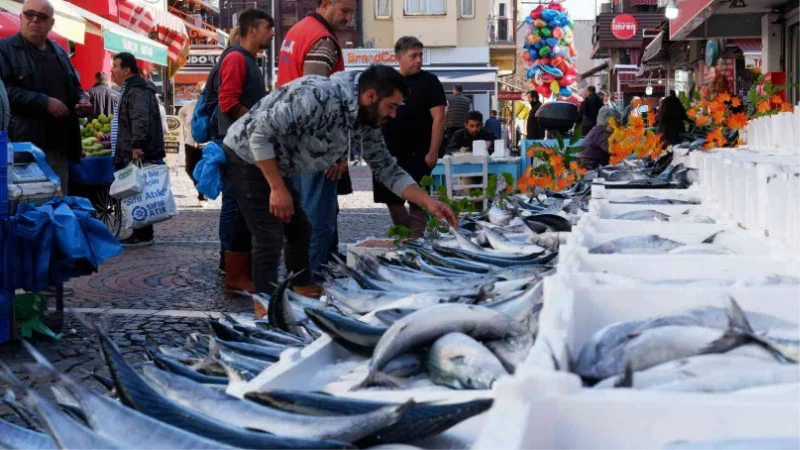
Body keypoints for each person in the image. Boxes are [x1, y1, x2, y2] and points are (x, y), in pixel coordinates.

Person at [222, 66, 457, 297]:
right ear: (371, 96)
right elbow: (259, 134)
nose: (394, 115)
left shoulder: (366, 120)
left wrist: (429, 203)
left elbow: (388, 171)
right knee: (269, 235)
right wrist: (276, 188)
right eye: (391, 106)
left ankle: (302, 287)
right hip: (247, 153)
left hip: (278, 161)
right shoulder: (317, 95)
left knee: (299, 229)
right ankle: (267, 306)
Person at [277, 0, 355, 290]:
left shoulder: (297, 31)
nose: (347, 18)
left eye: (351, 13)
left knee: (309, 215)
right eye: (344, 11)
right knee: (317, 218)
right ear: (326, 4)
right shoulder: (323, 40)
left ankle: (317, 274)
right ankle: (309, 286)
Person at [0, 0, 93, 195]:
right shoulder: (4, 50)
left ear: (51, 23)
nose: (35, 20)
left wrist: (81, 101)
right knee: (28, 212)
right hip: (23, 150)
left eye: (42, 17)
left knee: (58, 208)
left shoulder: (59, 52)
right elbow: (3, 92)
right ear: (21, 17)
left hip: (58, 149)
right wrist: (43, 102)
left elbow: (74, 87)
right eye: (29, 14)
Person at [211, 9, 274, 292]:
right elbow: (227, 101)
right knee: (238, 207)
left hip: (243, 144)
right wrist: (255, 123)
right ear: (252, 30)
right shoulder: (237, 58)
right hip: (238, 146)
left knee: (242, 207)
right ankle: (234, 273)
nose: (271, 34)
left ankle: (238, 271)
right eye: (268, 28)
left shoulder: (247, 59)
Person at [374, 36, 446, 238]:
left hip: (419, 154)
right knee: (393, 200)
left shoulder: (430, 82)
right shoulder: (386, 83)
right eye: (413, 55)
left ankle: (416, 244)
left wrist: (433, 152)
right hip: (389, 154)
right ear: (398, 57)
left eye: (420, 55)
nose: (418, 60)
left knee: (419, 201)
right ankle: (408, 241)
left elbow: (439, 118)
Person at [110, 52, 166, 247]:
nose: (112, 70)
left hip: (140, 149)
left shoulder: (138, 90)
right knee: (137, 190)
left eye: (115, 66)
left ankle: (142, 234)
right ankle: (143, 233)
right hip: (132, 147)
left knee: (138, 190)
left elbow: (139, 118)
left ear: (126, 70)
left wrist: (137, 146)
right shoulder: (133, 88)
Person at [178, 81, 206, 205]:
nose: (200, 95)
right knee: (189, 169)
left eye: (202, 92)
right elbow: (180, 113)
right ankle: (201, 189)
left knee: (203, 170)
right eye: (198, 92)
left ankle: (201, 196)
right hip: (190, 143)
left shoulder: (210, 106)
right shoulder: (190, 106)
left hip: (205, 144)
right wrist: (185, 127)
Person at [444, 84, 471, 153]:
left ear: (455, 90)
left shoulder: (448, 99)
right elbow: (470, 114)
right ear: (462, 91)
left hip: (450, 125)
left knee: (450, 142)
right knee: (461, 142)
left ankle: (450, 155)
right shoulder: (468, 100)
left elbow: (445, 112)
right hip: (462, 125)